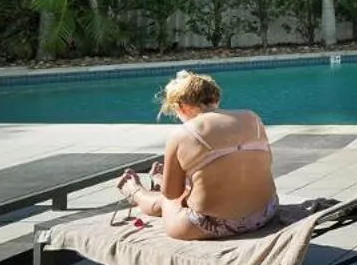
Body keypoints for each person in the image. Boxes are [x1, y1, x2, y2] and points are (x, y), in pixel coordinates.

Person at [118, 71, 280, 240]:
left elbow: (171, 194)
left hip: (210, 225)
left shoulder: (183, 133)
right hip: (265, 213)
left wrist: (170, 183)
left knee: (167, 202)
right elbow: (251, 166)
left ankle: (134, 191)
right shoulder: (252, 118)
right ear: (216, 99)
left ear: (181, 106)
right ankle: (160, 179)